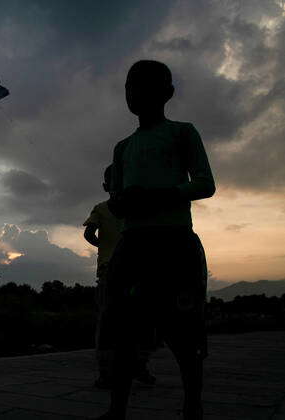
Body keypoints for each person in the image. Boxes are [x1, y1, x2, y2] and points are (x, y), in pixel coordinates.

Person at [97, 60, 215, 420]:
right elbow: (116, 202)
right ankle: (116, 410)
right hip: (132, 246)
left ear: (168, 93)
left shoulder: (182, 133)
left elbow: (205, 184)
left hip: (174, 242)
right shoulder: (122, 148)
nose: (136, 94)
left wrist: (156, 195)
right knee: (123, 332)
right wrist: (124, 201)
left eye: (146, 86)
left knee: (183, 331)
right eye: (131, 87)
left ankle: (192, 405)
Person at [84, 166, 156, 390]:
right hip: (137, 271)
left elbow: (88, 234)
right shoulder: (139, 209)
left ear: (106, 186)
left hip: (109, 270)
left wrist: (105, 247)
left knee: (107, 323)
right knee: (142, 321)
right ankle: (139, 366)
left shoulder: (100, 208)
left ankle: (106, 374)